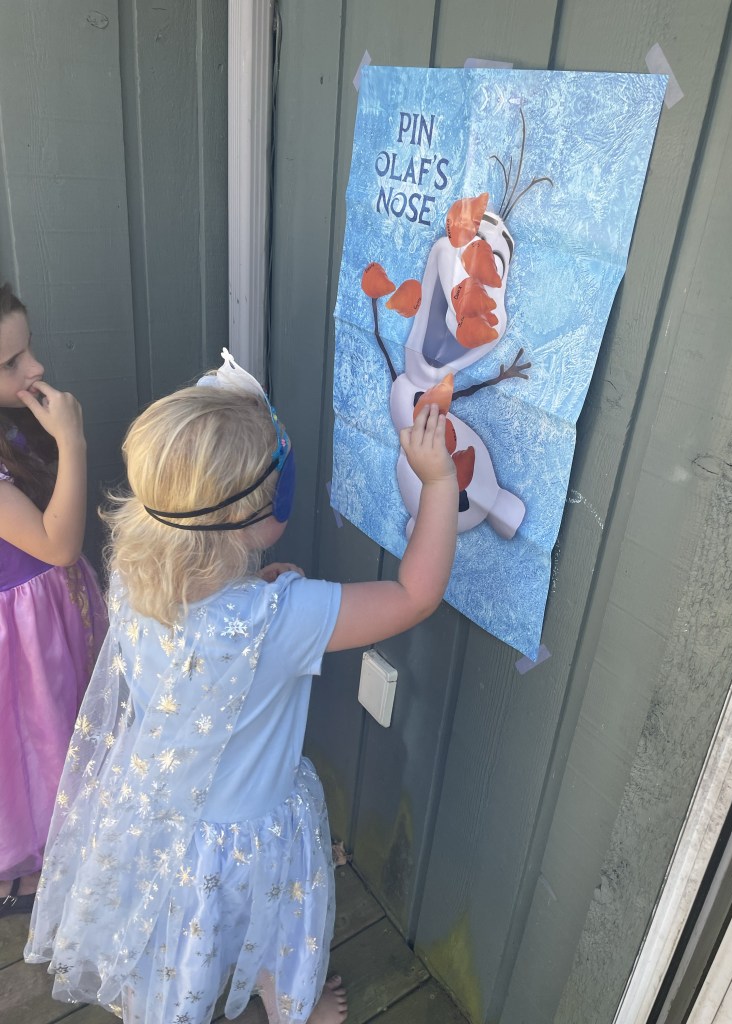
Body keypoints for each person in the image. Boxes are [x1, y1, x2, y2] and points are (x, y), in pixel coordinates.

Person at [24, 350, 458, 1024]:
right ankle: (287, 999)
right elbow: (414, 594)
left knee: (178, 932)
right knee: (273, 910)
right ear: (264, 510)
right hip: (250, 829)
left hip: (155, 808)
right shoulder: (282, 619)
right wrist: (438, 482)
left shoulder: (137, 569)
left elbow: (203, 639)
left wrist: (253, 588)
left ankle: (162, 1002)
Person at [0, 283, 107, 918]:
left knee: (63, 728)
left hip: (49, 614)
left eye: (28, 348)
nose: (35, 368)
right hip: (20, 636)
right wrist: (73, 442)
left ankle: (63, 841)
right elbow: (59, 544)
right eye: (10, 363)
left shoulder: (10, 425)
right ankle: (26, 868)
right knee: (33, 741)